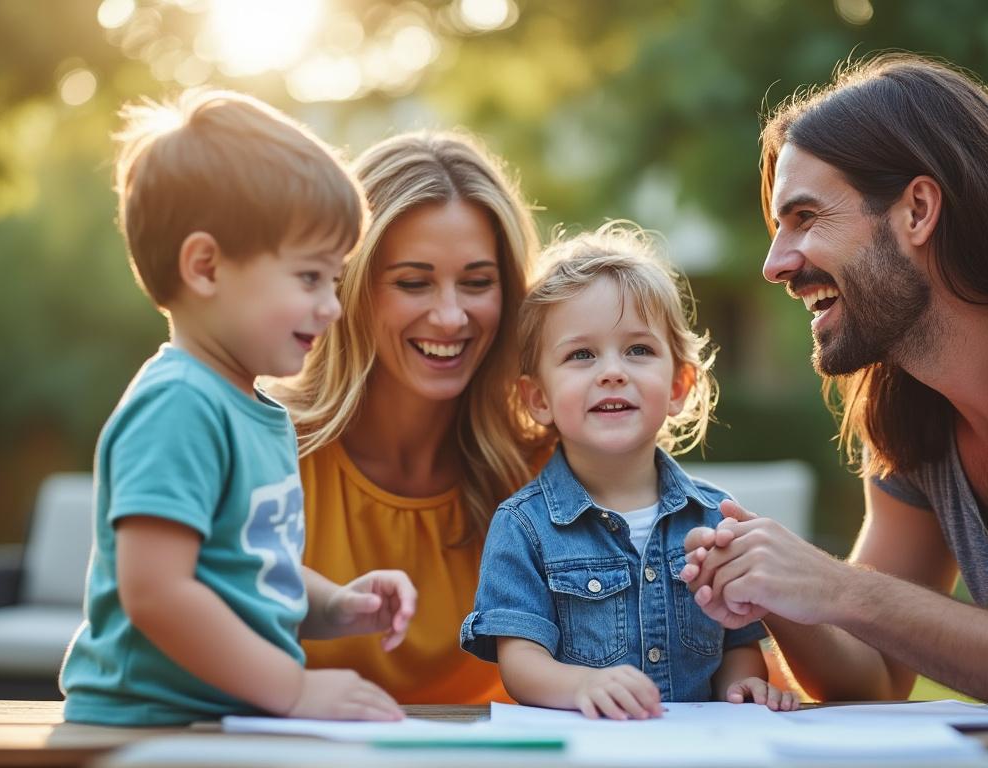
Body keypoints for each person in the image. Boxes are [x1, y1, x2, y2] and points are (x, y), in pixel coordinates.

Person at [681, 53, 988, 709]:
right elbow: (874, 676)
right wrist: (777, 587)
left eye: (804, 218)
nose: (775, 264)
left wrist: (845, 590)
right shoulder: (908, 401)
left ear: (917, 210)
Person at [60, 90, 418, 726]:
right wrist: (294, 689)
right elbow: (157, 593)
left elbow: (251, 575)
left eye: (334, 281)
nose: (332, 306)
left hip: (222, 721)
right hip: (148, 727)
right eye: (309, 277)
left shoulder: (252, 409)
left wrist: (335, 605)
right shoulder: (180, 405)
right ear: (205, 266)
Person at [461, 224, 799, 718]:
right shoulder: (523, 528)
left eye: (638, 350)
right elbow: (520, 661)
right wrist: (580, 686)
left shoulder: (715, 518)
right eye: (581, 355)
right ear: (538, 399)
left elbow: (738, 642)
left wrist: (744, 686)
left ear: (680, 385)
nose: (612, 371)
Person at [270, 131, 548, 704]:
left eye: (477, 282)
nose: (450, 317)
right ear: (347, 289)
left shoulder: (545, 470)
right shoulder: (266, 447)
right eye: (413, 282)